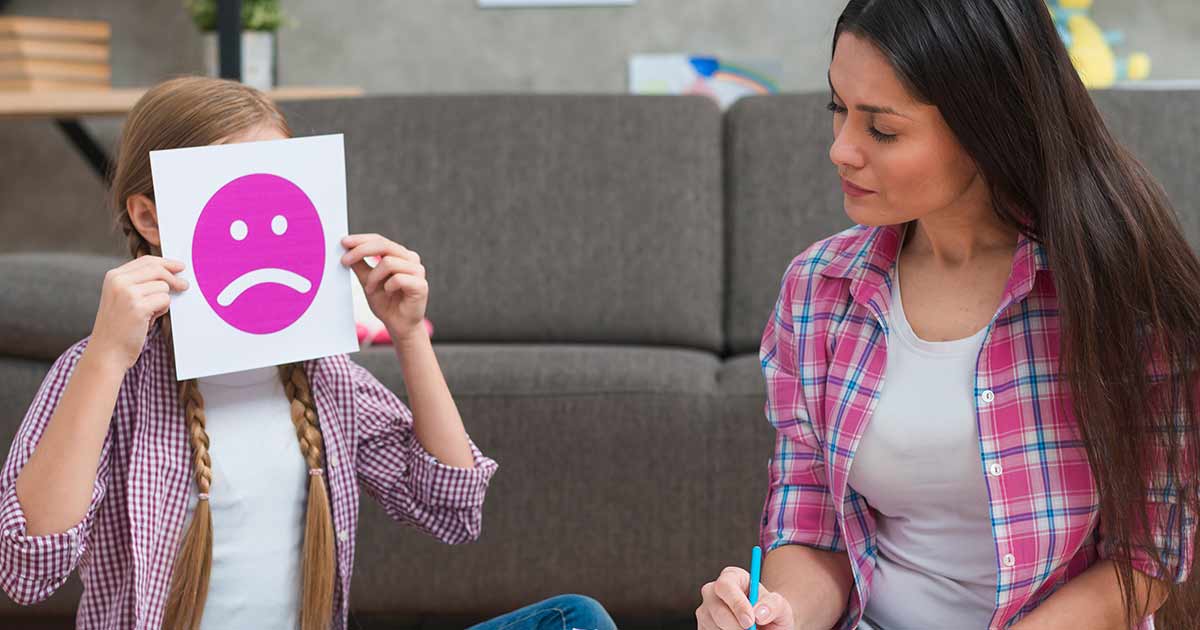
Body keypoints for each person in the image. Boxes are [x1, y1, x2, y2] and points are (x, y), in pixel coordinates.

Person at [0, 76, 614, 630]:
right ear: (148, 217)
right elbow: (26, 569)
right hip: (115, 366)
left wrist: (407, 336)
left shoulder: (325, 378)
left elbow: (449, 508)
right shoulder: (104, 377)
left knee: (573, 620)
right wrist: (106, 357)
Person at [696, 1, 1198, 629]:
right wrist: (779, 614)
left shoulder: (1120, 294)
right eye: (838, 110)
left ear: (985, 128)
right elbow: (814, 528)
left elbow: (1145, 560)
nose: (842, 150)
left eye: (882, 129)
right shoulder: (819, 288)